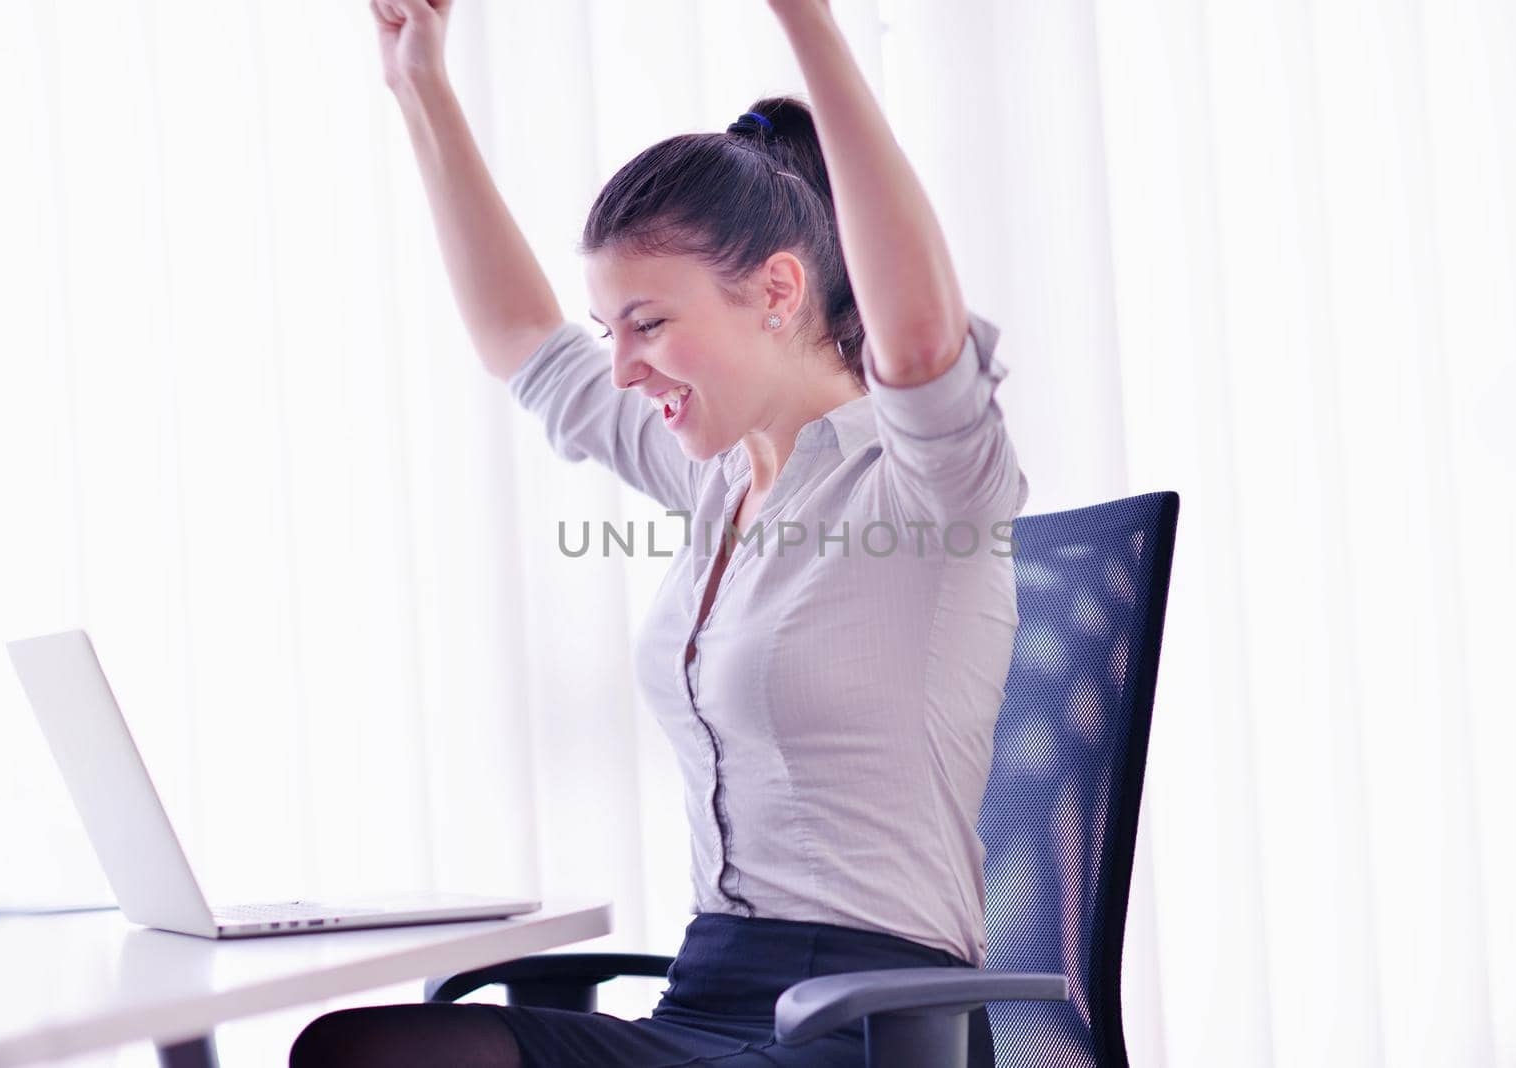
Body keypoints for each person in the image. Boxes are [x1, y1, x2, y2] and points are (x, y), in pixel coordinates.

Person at [290, 0, 1029, 1064]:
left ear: (778, 290)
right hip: (705, 998)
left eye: (650, 323)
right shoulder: (718, 484)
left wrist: (807, 24)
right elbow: (525, 347)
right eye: (612, 329)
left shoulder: (924, 488)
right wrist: (422, 90)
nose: (625, 368)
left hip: (861, 1027)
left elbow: (916, 339)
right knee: (372, 1046)